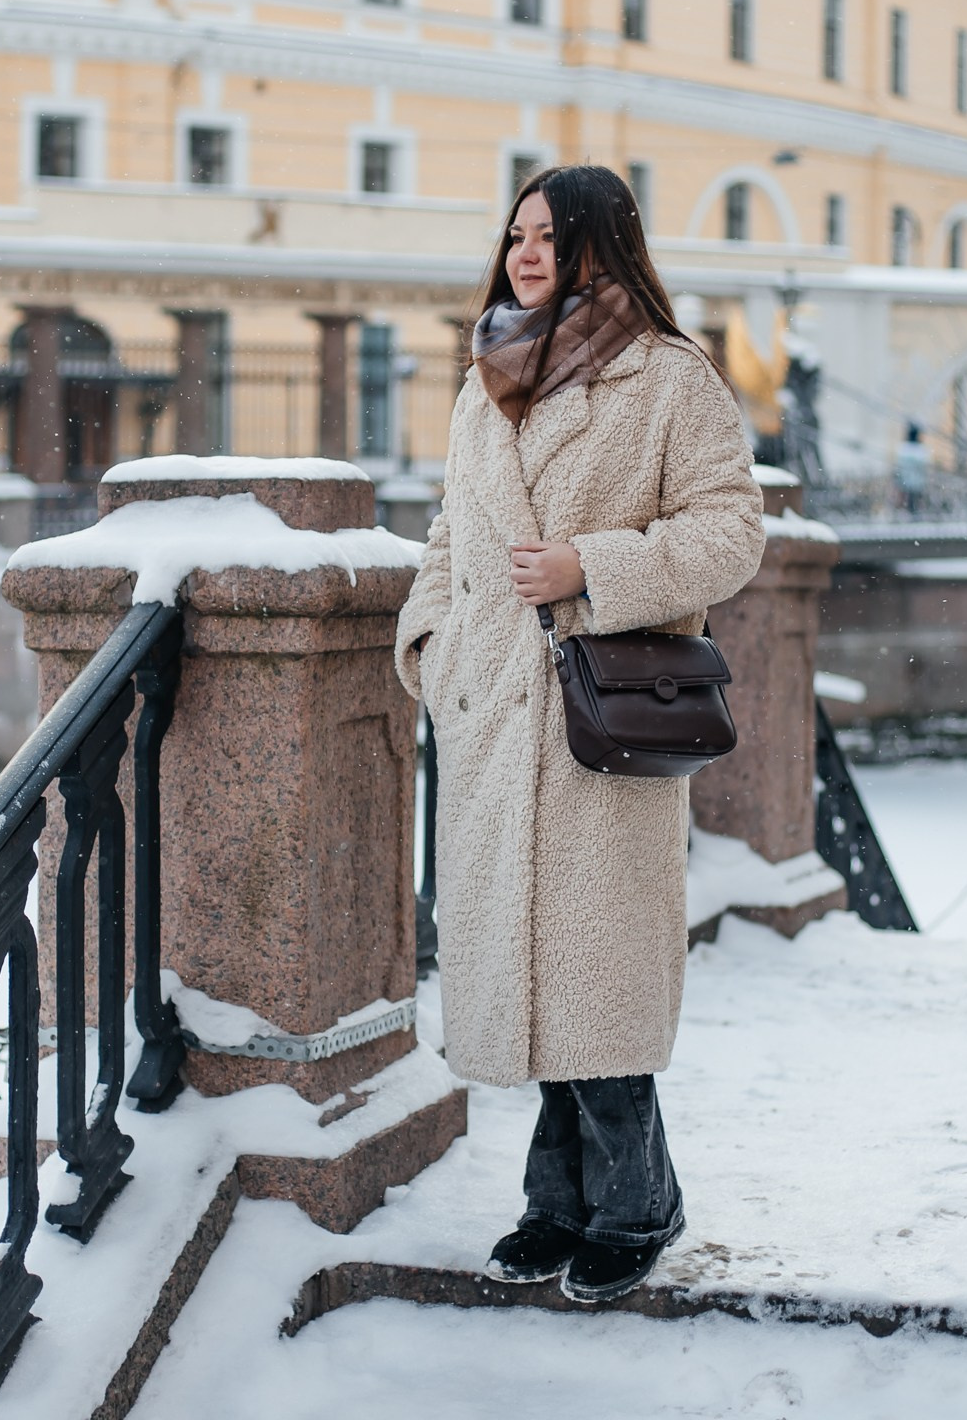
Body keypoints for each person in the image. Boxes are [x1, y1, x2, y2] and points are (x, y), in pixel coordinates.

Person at [393, 166, 765, 1304]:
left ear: (604, 244)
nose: (527, 253)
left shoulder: (669, 376)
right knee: (531, 979)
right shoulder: (485, 373)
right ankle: (557, 1204)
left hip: (599, 717)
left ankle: (636, 1204)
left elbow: (730, 532)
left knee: (595, 983)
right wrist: (431, 643)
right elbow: (454, 527)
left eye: (551, 235)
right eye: (516, 234)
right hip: (494, 714)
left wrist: (591, 570)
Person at [894, 422, 932, 513]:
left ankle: (909, 514)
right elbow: (924, 468)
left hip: (906, 483)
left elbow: (899, 468)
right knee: (915, 504)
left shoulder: (903, 449)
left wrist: (898, 482)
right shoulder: (921, 451)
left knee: (907, 504)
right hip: (918, 483)